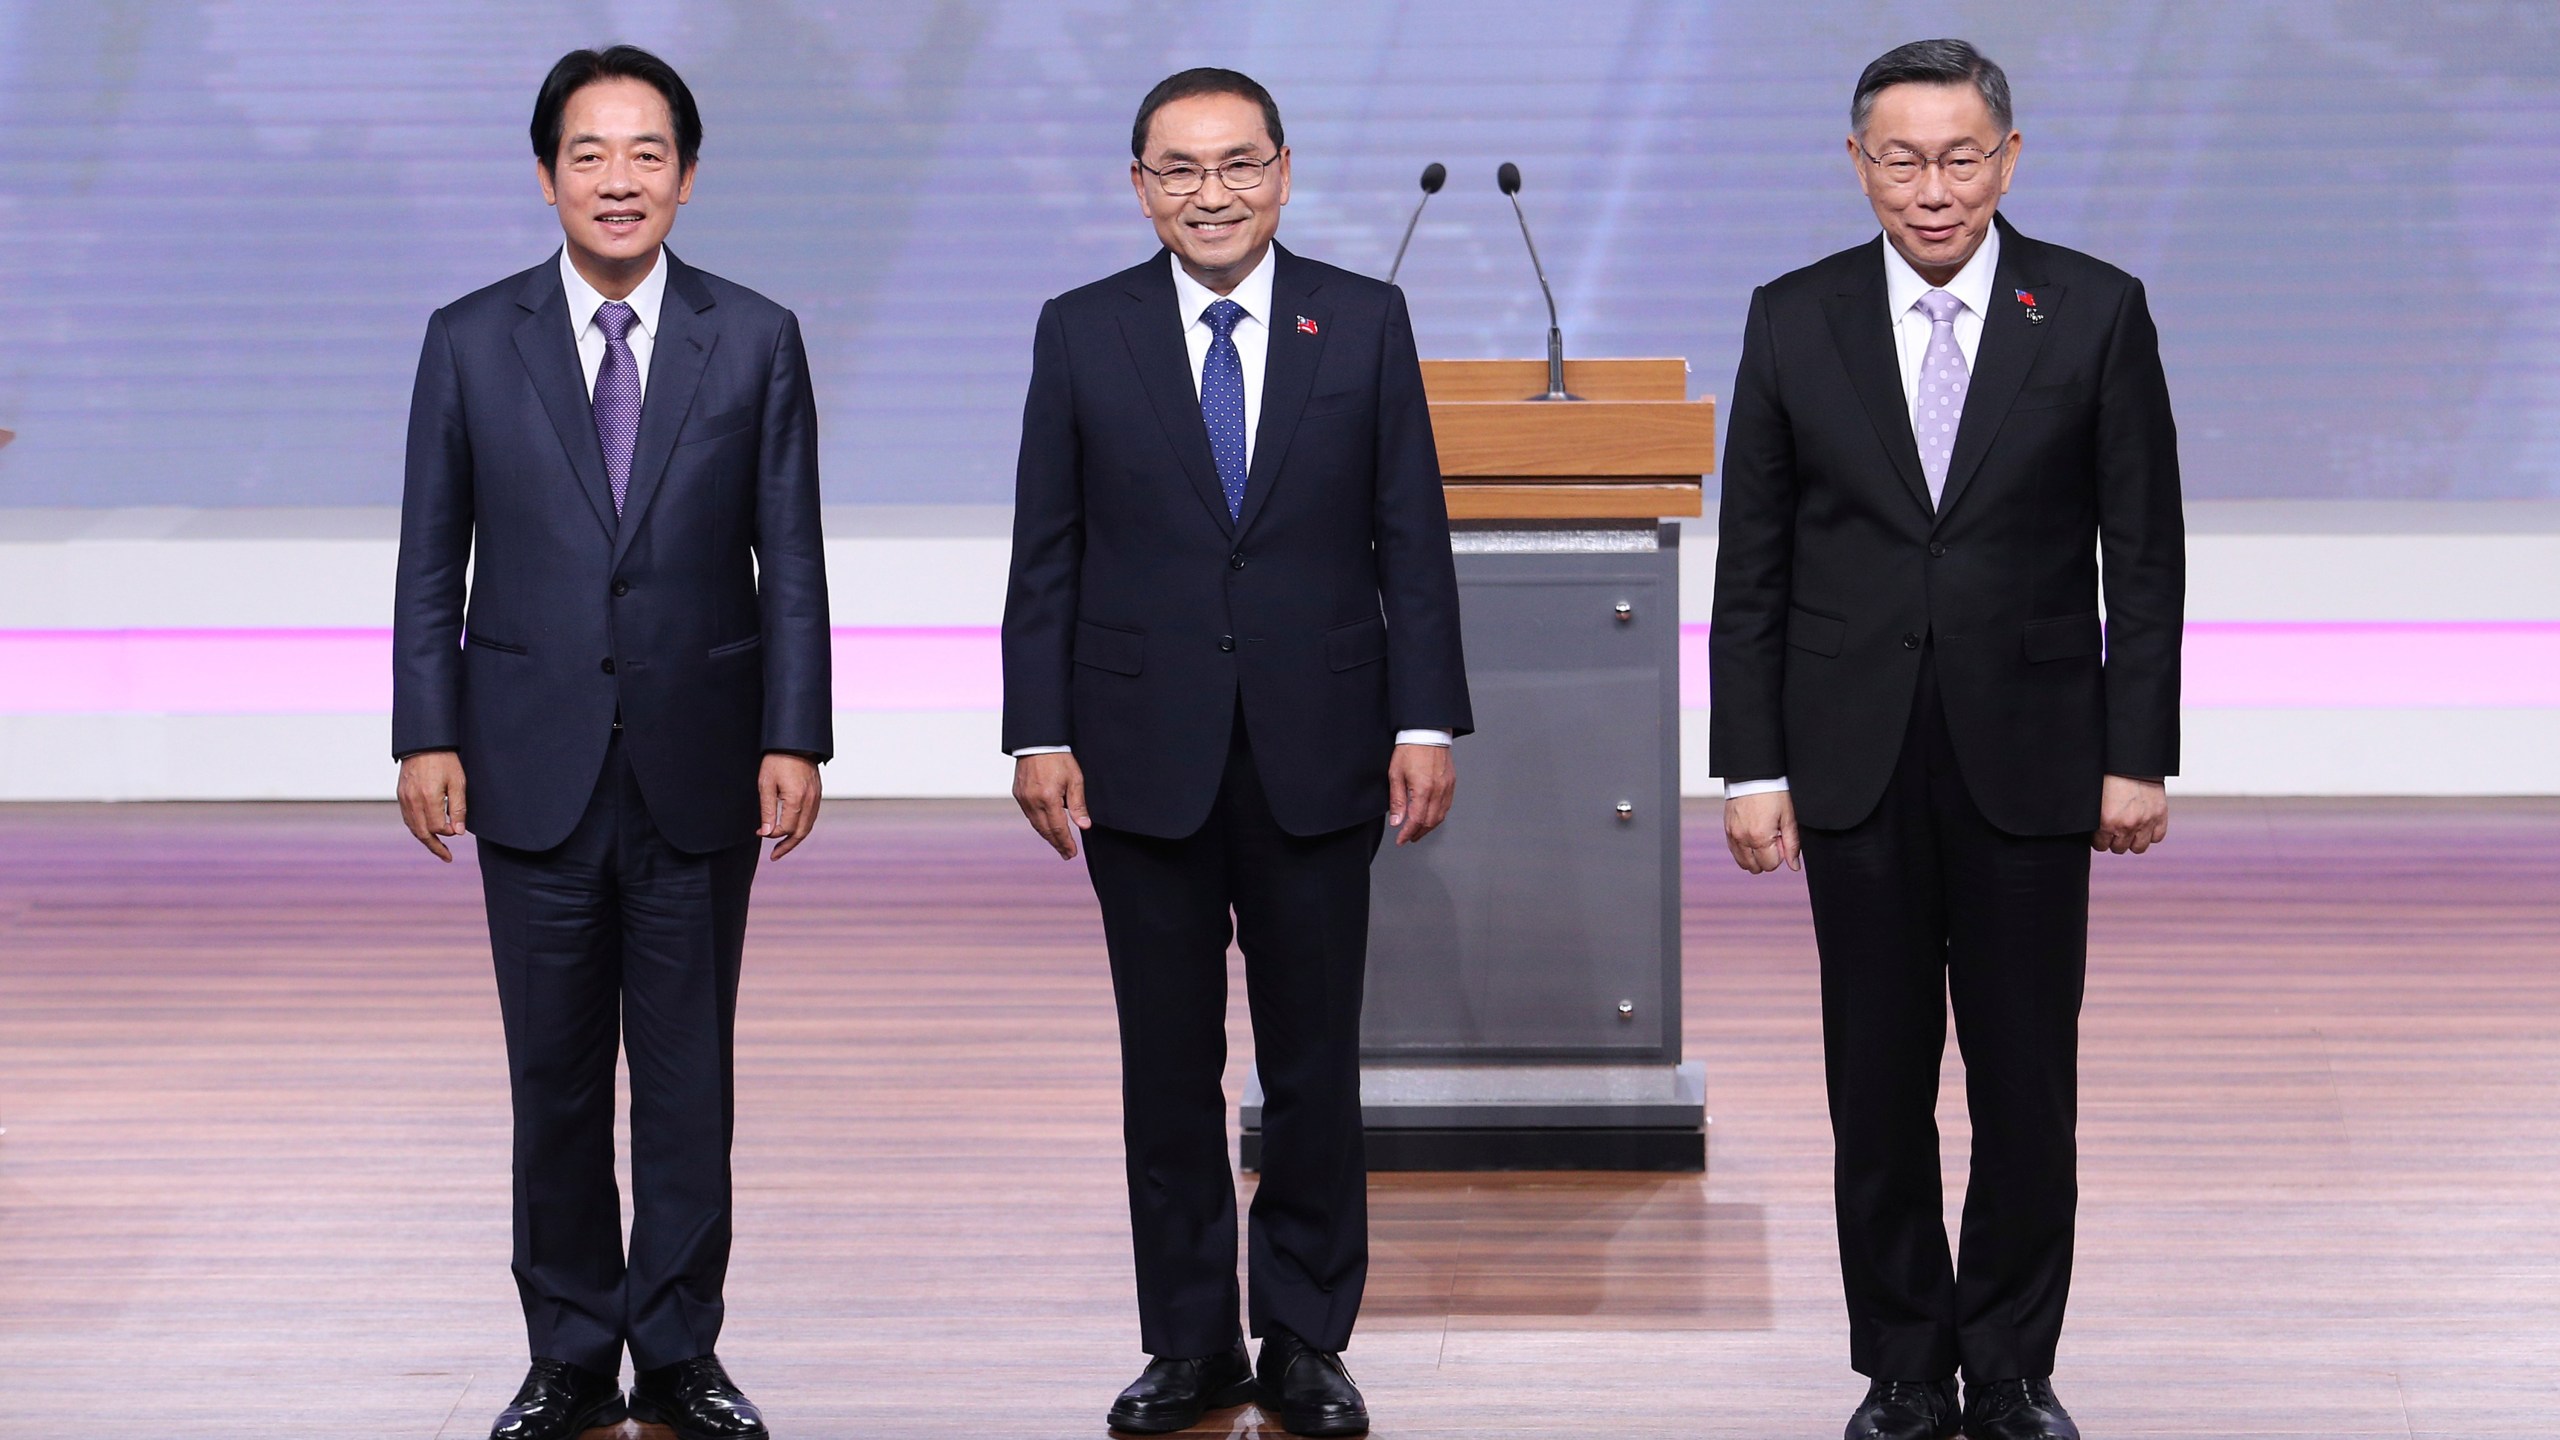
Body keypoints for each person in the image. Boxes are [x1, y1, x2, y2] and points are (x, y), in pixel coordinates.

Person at [1710, 38, 2184, 1440]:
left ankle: (2016, 1363)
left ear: (2011, 159)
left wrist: (2136, 751)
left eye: (1961, 156)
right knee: (1877, 1079)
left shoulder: (2094, 311)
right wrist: (1752, 764)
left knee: (2027, 1076)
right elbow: (1756, 563)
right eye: (1904, 159)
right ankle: (1906, 1367)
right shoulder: (1793, 318)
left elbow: (2142, 555)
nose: (1934, 188)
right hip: (1849, 756)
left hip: (2035, 752)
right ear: (1857, 165)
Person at [1000, 67, 1470, 1439]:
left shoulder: (1363, 320)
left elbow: (1411, 538)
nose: (1212, 193)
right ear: (1140, 185)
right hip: (1138, 748)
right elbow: (1049, 548)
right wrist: (1039, 730)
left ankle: (1309, 1338)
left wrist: (1423, 716)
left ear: (1283, 169)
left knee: (1314, 1060)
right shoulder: (1083, 331)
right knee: (1166, 1063)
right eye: (1180, 170)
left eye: (1238, 165)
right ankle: (1190, 1341)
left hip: (1322, 745)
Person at [391, 45, 830, 1440]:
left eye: (648, 153)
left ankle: (682, 1353)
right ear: (546, 175)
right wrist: (424, 732)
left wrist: (796, 733)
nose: (620, 179)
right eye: (591, 153)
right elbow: (428, 562)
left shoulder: (755, 337)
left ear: (687, 176)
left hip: (704, 756)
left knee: (692, 1075)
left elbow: (793, 562)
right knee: (557, 1074)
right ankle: (571, 1351)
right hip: (527, 758)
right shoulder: (470, 338)